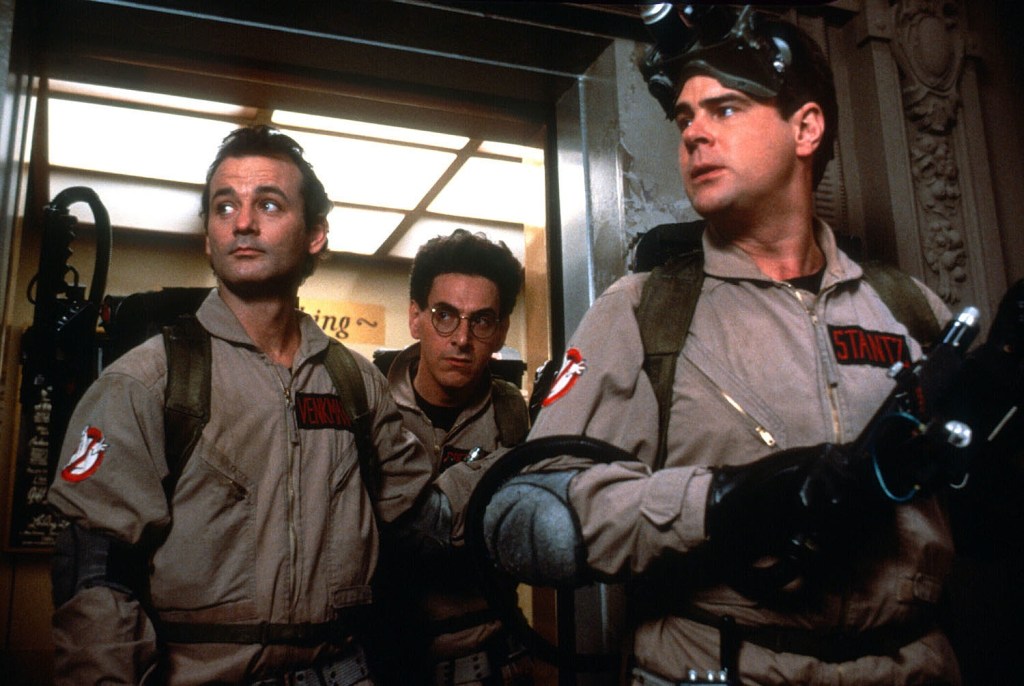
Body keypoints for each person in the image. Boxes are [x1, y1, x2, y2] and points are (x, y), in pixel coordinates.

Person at [481, 7, 968, 685]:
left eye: (726, 109)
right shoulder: (644, 312)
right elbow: (528, 518)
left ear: (805, 128)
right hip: (724, 666)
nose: (694, 134)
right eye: (685, 118)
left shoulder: (909, 308)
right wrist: (720, 503)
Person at [47, 125, 436, 685]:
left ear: (315, 234)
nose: (243, 222)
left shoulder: (355, 383)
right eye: (224, 206)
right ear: (209, 237)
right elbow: (95, 576)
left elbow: (418, 520)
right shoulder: (147, 381)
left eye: (269, 204)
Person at [377, 229, 532, 685]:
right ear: (415, 318)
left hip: (492, 656)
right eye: (444, 316)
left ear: (501, 330)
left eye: (481, 321)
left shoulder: (513, 415)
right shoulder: (370, 408)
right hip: (392, 659)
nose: (462, 338)